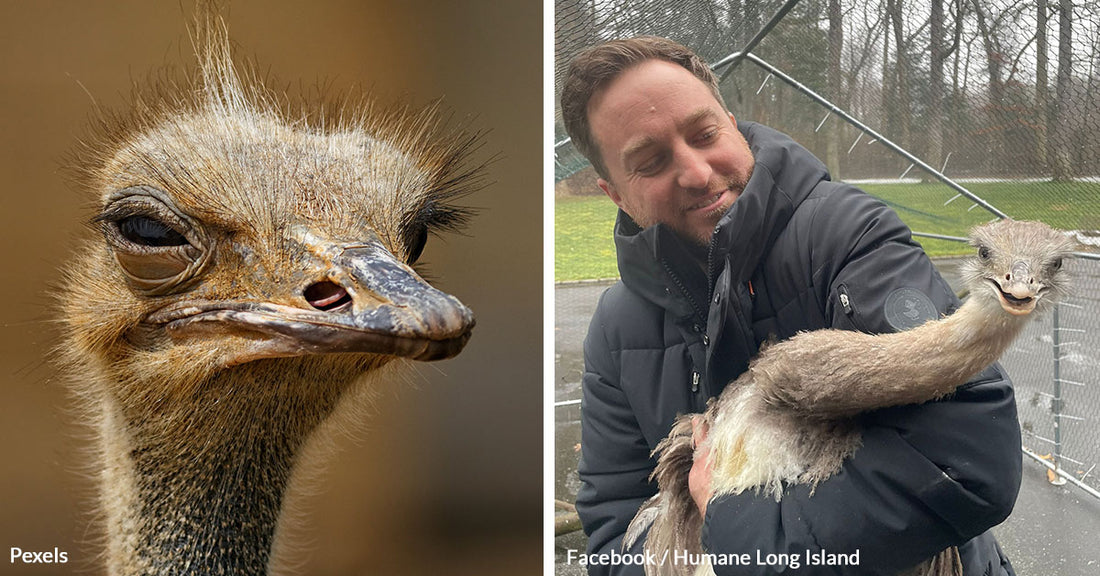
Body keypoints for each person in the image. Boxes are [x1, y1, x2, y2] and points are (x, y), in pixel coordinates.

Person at [560, 36, 1020, 576]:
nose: (697, 172)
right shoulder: (616, 330)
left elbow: (966, 454)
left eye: (705, 134)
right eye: (650, 161)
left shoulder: (846, 236)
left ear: (731, 122)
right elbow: (614, 524)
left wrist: (736, 534)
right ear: (614, 192)